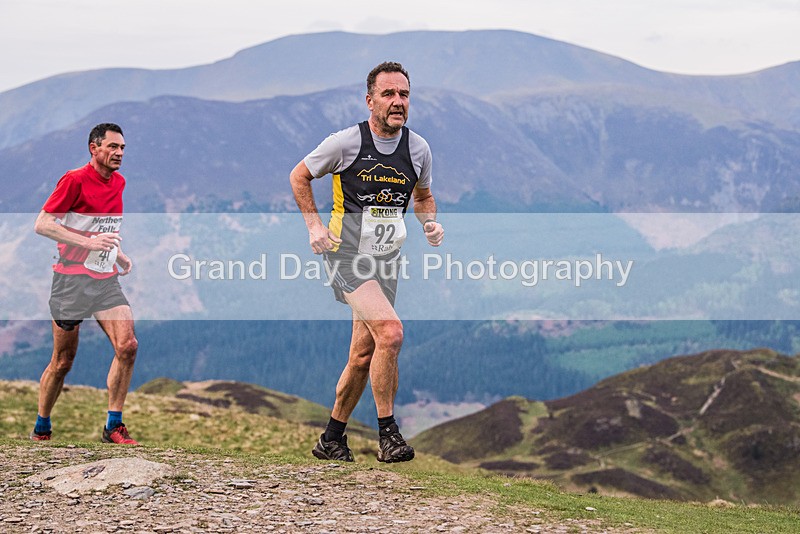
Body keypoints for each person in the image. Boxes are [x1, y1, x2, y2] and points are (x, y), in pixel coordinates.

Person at [289, 61, 444, 463]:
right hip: (346, 256)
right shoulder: (345, 143)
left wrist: (430, 225)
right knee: (390, 333)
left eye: (404, 94)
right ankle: (388, 434)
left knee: (362, 354)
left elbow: (423, 197)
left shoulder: (418, 149)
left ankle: (331, 439)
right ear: (370, 100)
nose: (397, 102)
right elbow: (299, 176)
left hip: (386, 261)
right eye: (389, 94)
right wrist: (314, 228)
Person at [30, 123, 139, 445]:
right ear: (94, 148)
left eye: (122, 148)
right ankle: (42, 426)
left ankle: (113, 425)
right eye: (112, 147)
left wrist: (118, 253)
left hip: (104, 279)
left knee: (128, 346)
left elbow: (102, 227)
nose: (119, 153)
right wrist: (89, 244)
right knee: (63, 361)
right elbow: (43, 224)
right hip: (70, 280)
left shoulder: (118, 182)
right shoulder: (74, 180)